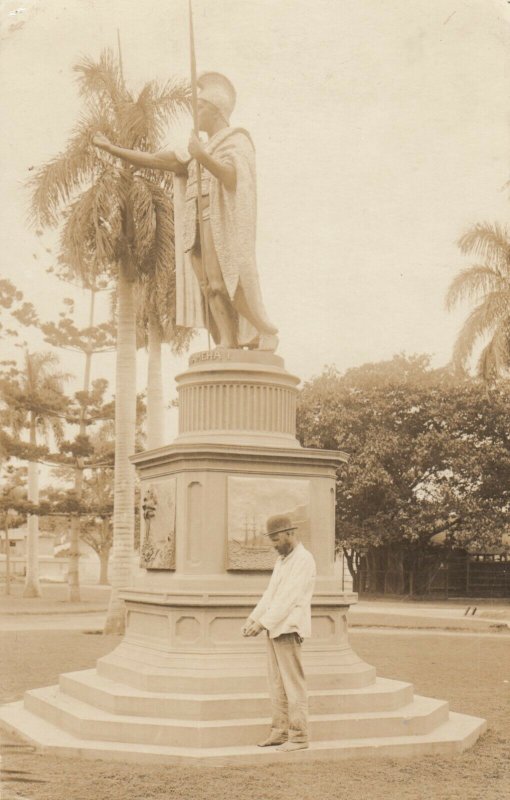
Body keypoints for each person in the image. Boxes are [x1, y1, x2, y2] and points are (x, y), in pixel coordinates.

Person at [92, 71, 278, 351]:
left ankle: (265, 329)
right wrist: (112, 148)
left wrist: (203, 155)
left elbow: (232, 179)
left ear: (217, 111)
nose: (196, 114)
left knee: (226, 282)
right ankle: (227, 340)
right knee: (208, 286)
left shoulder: (236, 141)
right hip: (196, 222)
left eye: (200, 108)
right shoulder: (193, 150)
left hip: (219, 221)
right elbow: (155, 160)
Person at [242, 514, 316, 752]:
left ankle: (299, 737)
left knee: (293, 685)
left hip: (289, 629)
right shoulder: (283, 561)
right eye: (271, 539)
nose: (273, 545)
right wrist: (253, 618)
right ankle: (280, 732)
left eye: (275, 539)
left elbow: (287, 599)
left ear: (290, 534)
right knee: (277, 684)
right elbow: (271, 595)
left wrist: (261, 623)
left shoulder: (304, 560)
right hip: (275, 629)